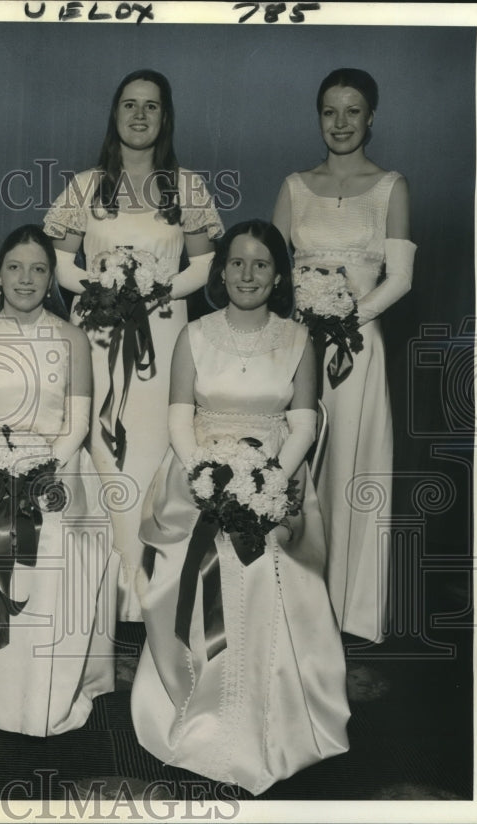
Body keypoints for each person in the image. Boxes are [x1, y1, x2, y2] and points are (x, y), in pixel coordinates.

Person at [130, 221, 350, 795]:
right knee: (200, 570)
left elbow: (303, 422)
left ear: (278, 276)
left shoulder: (298, 337)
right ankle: (193, 705)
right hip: (197, 475)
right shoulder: (195, 334)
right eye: (236, 263)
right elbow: (179, 417)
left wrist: (271, 478)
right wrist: (206, 474)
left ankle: (276, 720)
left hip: (273, 477)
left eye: (260, 264)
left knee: (268, 570)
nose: (247, 275)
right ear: (219, 269)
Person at [43, 69, 224, 622]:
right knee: (101, 447)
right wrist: (106, 287)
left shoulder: (187, 188)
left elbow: (206, 264)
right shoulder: (85, 186)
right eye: (129, 105)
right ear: (114, 114)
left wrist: (155, 289)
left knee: (151, 449)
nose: (139, 116)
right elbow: (61, 264)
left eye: (151, 106)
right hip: (96, 333)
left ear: (164, 117)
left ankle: (152, 592)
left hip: (162, 334)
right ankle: (102, 593)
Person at [0, 225, 118, 736]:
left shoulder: (71, 338)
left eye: (38, 268)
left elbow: (76, 425)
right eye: (15, 266)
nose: (26, 278)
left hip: (56, 470)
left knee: (54, 538)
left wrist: (39, 467)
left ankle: (45, 688)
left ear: (51, 277)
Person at [272, 68, 414, 644]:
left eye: (352, 111)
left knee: (352, 468)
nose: (340, 123)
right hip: (296, 346)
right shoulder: (294, 185)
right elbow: (273, 271)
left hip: (357, 346)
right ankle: (291, 601)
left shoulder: (391, 187)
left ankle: (349, 609)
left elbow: (400, 279)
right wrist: (301, 321)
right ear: (318, 116)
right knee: (293, 463)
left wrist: (341, 319)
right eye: (330, 111)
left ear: (371, 116)